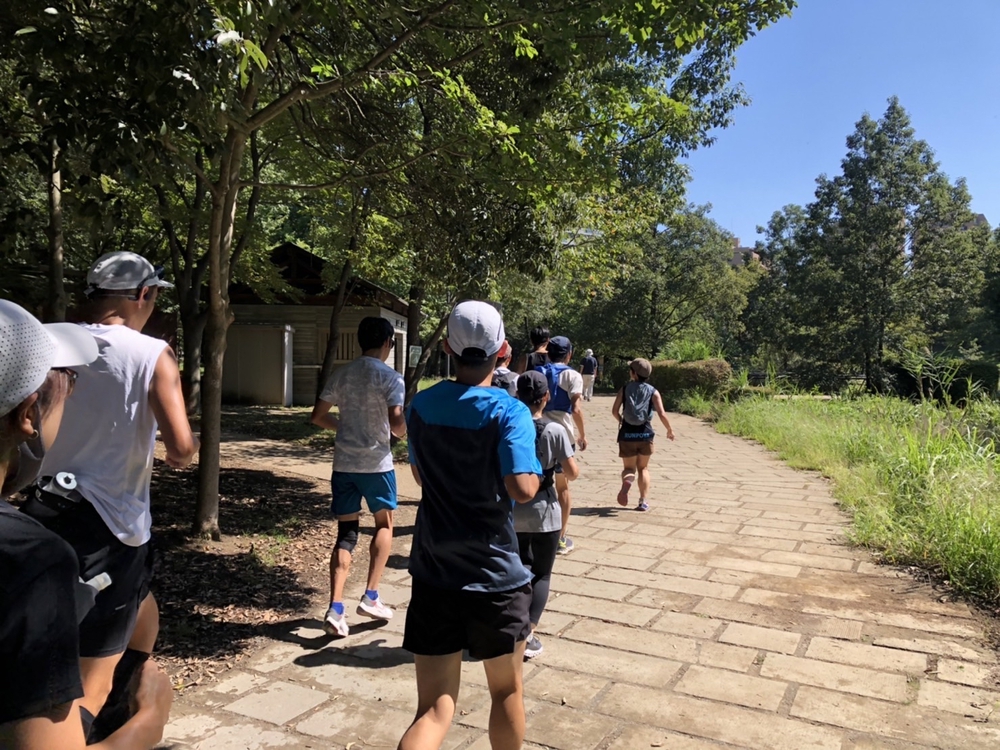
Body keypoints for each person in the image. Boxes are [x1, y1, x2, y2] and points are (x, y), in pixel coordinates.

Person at [27, 252, 197, 734]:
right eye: (155, 296)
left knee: (142, 609)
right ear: (143, 295)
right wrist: (185, 450)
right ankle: (92, 727)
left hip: (43, 510)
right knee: (90, 678)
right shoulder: (150, 353)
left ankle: (126, 682)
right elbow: (181, 447)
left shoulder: (51, 341)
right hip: (112, 527)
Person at [0, 299, 173, 750]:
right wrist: (151, 719)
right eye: (68, 383)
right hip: (114, 524)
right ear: (27, 415)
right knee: (92, 682)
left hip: (58, 509)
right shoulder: (28, 564)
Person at [398, 300, 542, 750]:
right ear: (503, 350)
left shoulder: (419, 407)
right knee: (505, 691)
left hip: (435, 572)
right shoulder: (510, 412)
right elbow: (522, 489)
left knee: (434, 708)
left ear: (447, 347)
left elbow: (421, 476)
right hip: (494, 576)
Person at [311, 316, 406, 637]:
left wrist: (343, 428)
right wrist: (406, 430)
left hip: (344, 466)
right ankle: (371, 595)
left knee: (347, 534)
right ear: (387, 343)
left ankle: (336, 607)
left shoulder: (343, 374)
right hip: (378, 466)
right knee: (384, 525)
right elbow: (396, 423)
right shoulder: (391, 378)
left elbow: (318, 416)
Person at [513, 371, 578, 659]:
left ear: (517, 396)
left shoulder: (508, 427)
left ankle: (510, 622)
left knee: (516, 570)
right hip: (545, 512)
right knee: (541, 573)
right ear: (547, 396)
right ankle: (528, 633)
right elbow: (573, 472)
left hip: (512, 509)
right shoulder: (554, 431)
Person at [536, 335, 586, 555]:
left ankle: (532, 531)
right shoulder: (573, 375)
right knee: (562, 487)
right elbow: (576, 409)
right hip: (562, 436)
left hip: (537, 433)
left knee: (535, 483)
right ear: (569, 354)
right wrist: (582, 434)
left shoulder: (538, 373)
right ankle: (561, 538)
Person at [612, 358, 675, 512]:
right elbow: (661, 413)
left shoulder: (624, 388)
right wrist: (669, 429)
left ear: (633, 373)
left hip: (627, 434)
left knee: (629, 469)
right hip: (645, 434)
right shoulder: (653, 391)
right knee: (643, 468)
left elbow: (614, 411)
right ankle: (643, 501)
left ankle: (628, 480)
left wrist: (622, 421)